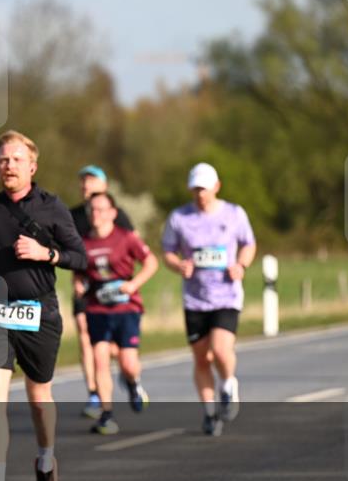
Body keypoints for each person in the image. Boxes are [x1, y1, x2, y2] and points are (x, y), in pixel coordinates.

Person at [0, 131, 87, 481]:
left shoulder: (52, 207)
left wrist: (45, 253)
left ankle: (46, 461)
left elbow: (79, 257)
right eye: (3, 159)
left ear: (32, 166)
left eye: (17, 159)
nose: (9, 165)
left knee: (39, 398)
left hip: (39, 312)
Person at [162, 163, 256, 436]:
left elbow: (249, 244)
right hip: (195, 298)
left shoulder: (234, 213)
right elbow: (168, 251)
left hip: (226, 295)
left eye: (204, 188)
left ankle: (227, 384)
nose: (200, 194)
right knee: (202, 358)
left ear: (216, 187)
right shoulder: (179, 217)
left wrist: (241, 265)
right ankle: (210, 412)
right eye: (196, 189)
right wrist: (178, 265)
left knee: (221, 350)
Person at [80, 192, 158, 435]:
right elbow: (79, 272)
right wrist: (78, 286)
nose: (96, 214)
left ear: (113, 213)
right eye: (92, 210)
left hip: (126, 308)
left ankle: (133, 384)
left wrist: (133, 285)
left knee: (128, 363)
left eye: (101, 209)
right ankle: (106, 414)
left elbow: (151, 263)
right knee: (100, 359)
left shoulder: (126, 237)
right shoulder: (84, 242)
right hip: (97, 308)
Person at [69, 165, 135, 420]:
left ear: (104, 185)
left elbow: (133, 245)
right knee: (85, 336)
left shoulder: (117, 214)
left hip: (116, 290)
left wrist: (126, 280)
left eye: (92, 179)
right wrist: (77, 278)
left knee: (112, 348)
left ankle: (128, 373)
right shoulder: (73, 215)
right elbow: (68, 249)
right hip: (87, 287)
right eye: (83, 180)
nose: (86, 184)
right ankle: (94, 394)